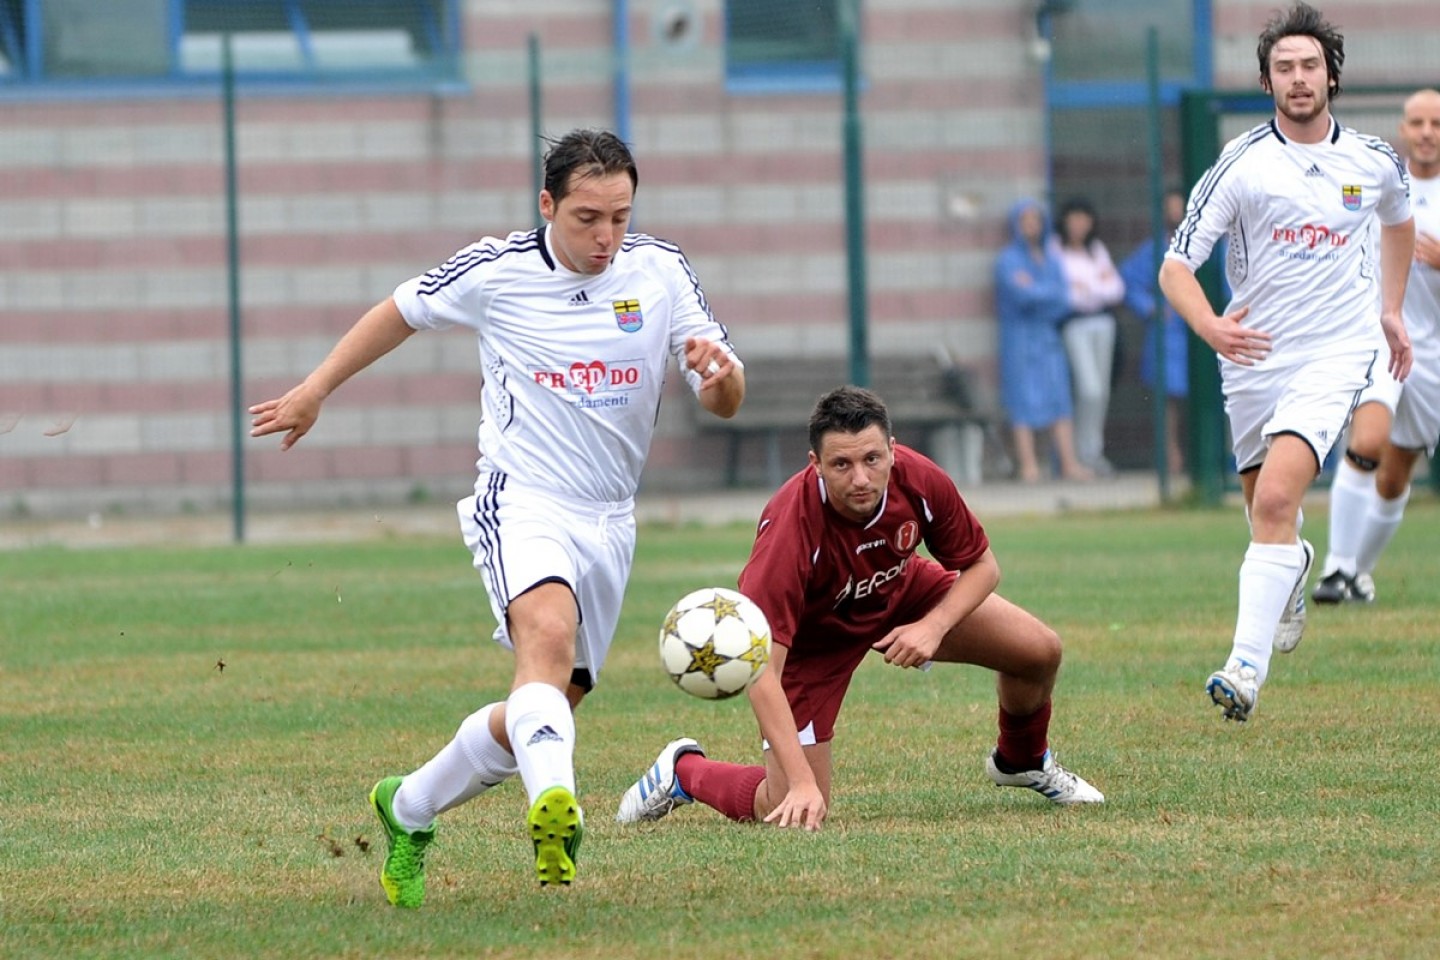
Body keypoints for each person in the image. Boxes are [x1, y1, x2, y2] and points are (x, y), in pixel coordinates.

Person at [249, 129, 746, 901]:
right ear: (547, 205)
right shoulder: (497, 270)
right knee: (545, 639)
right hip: (522, 498)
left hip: (612, 519)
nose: (605, 236)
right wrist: (316, 388)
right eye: (587, 217)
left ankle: (408, 804)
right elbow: (399, 311)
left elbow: (721, 395)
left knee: (544, 708)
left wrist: (719, 379)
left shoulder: (660, 271)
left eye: (619, 215)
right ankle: (557, 809)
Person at [614, 386, 1103, 832]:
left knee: (1038, 651)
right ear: (815, 463)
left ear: (893, 449)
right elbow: (762, 670)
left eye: (873, 458)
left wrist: (932, 627)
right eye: (841, 465)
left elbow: (981, 566)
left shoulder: (919, 479)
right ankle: (684, 771)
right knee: (791, 803)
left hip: (899, 593)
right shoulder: (790, 529)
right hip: (812, 645)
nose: (861, 478)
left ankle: (1021, 760)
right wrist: (803, 782)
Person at [1159, 2, 1413, 723]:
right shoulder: (1242, 164)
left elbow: (1397, 221)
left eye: (1309, 66)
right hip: (1253, 358)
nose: (1298, 79)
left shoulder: (1372, 159)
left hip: (1336, 353)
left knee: (1276, 502)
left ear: (1331, 75)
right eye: (1283, 69)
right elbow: (1177, 267)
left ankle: (1244, 668)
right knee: (1264, 515)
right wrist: (1211, 326)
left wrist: (1389, 310)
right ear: (1266, 82)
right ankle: (1293, 564)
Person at [1312, 88, 1440, 604]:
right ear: (1403, 129)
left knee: (1395, 474)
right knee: (1366, 443)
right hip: (1379, 339)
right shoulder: (1382, 182)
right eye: (1418, 122)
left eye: (1436, 122)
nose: (1427, 132)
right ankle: (1336, 568)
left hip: (1431, 353)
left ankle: (1357, 574)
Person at [994, 199, 1093, 483]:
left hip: (1048, 336)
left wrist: (1039, 291)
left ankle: (1069, 463)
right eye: (1025, 221)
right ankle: (1029, 466)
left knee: (1058, 397)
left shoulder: (1052, 258)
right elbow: (1020, 295)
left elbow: (1064, 298)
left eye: (1035, 220)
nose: (1031, 226)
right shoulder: (1008, 260)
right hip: (1019, 340)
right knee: (1022, 401)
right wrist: (1045, 293)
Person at [1054, 197, 1127, 476]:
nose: (1078, 225)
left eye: (1084, 219)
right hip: (1075, 324)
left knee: (1102, 392)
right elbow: (1069, 295)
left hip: (1103, 322)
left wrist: (1089, 288)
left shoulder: (1096, 250)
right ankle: (1077, 455)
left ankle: (1093, 452)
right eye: (1074, 218)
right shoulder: (1056, 250)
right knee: (1088, 389)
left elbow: (1115, 289)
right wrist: (1095, 286)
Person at [1121, 189, 1190, 476]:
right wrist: (1151, 307)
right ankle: (1171, 455)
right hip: (1169, 335)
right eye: (1169, 208)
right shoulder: (1152, 251)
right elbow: (1127, 281)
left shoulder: (1209, 245)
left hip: (1201, 331)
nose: (1175, 214)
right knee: (1168, 398)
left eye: (1180, 208)